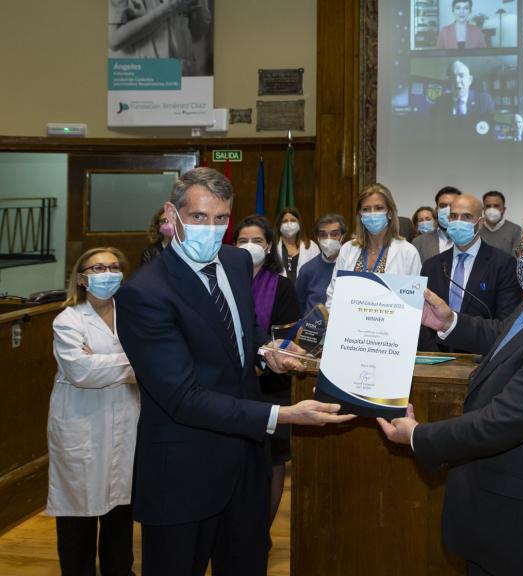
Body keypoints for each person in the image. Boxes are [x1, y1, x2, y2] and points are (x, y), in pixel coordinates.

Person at [115, 167, 353, 576]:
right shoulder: (144, 292)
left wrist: (267, 351)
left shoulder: (236, 260)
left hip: (245, 463)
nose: (211, 228)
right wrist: (282, 415)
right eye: (198, 217)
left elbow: (243, 329)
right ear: (171, 215)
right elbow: (182, 397)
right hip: (184, 470)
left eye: (221, 218)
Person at [378, 208, 523, 576]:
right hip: (497, 507)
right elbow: (505, 337)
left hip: (521, 522)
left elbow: (497, 423)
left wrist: (417, 436)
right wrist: (449, 322)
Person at [47, 247, 137, 576]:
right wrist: (133, 365)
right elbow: (81, 372)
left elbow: (153, 359)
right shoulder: (68, 320)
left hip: (126, 420)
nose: (107, 274)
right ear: (82, 279)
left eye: (114, 267)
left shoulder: (134, 316)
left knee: (120, 514)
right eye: (98, 269)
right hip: (81, 423)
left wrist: (101, 361)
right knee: (78, 515)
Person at [234, 215, 302, 540]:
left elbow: (286, 337)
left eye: (256, 241)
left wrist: (262, 362)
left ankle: (261, 534)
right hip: (232, 387)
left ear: (269, 246)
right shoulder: (223, 282)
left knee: (273, 461)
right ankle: (237, 532)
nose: (249, 247)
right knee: (239, 462)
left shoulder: (281, 285)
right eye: (242, 241)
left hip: (271, 385)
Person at [419, 194, 521, 352]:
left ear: (480, 223)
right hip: (437, 356)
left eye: (466, 217)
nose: (458, 222)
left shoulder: (504, 264)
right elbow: (422, 320)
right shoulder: (431, 266)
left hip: (480, 357)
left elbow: (505, 324)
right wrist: (436, 357)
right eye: (453, 216)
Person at [326, 183, 422, 308]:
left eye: (378, 208)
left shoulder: (408, 252)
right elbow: (333, 295)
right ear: (360, 214)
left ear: (390, 213)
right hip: (349, 319)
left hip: (390, 319)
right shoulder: (347, 249)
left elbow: (413, 302)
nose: (372, 214)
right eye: (366, 209)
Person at [108, 0, 211, 76]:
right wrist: (169, 7)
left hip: (181, 73)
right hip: (142, 77)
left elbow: (196, 36)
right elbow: (114, 41)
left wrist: (197, 11)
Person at [295, 212, 346, 314]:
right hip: (312, 324)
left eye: (334, 234)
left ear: (343, 236)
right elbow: (298, 305)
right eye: (323, 235)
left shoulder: (350, 265)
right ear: (316, 237)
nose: (328, 239)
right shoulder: (307, 270)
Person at [413, 186, 462, 262]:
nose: (447, 210)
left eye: (453, 205)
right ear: (436, 210)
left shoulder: (473, 239)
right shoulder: (419, 242)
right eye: (443, 206)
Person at [274, 207, 320, 283]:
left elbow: (318, 272)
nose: (289, 224)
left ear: (299, 223)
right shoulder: (272, 246)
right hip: (277, 289)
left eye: (293, 220)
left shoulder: (311, 247)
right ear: (279, 225)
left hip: (305, 289)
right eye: (285, 221)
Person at [480, 190, 522, 255]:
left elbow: (516, 257)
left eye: (496, 206)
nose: (492, 210)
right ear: (483, 209)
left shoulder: (515, 230)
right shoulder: (476, 229)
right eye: (488, 206)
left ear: (503, 209)